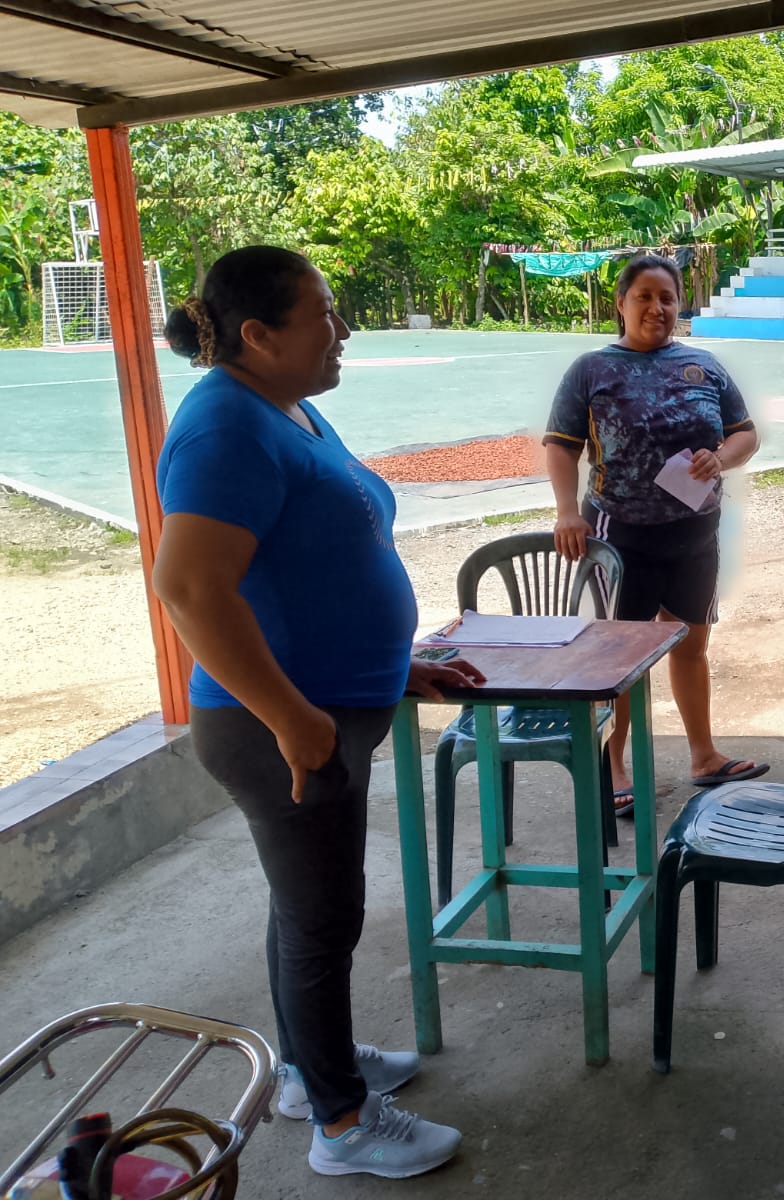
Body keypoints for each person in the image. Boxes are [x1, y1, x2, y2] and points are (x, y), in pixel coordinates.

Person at [153, 246, 479, 1178]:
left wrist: (391, 665)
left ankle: (307, 1069)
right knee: (324, 918)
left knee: (304, 911)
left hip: (324, 707)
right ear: (259, 335)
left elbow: (314, 560)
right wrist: (295, 720)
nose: (344, 329)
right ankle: (340, 1125)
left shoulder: (286, 406)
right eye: (324, 314)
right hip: (276, 729)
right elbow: (189, 587)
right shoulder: (224, 427)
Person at [543, 253, 765, 811]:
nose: (656, 308)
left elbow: (745, 434)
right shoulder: (592, 369)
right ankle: (615, 765)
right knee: (624, 657)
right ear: (621, 304)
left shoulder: (704, 366)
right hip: (621, 535)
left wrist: (721, 458)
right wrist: (567, 511)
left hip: (694, 533)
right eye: (643, 296)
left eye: (666, 297)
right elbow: (561, 445)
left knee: (691, 645)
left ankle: (704, 755)